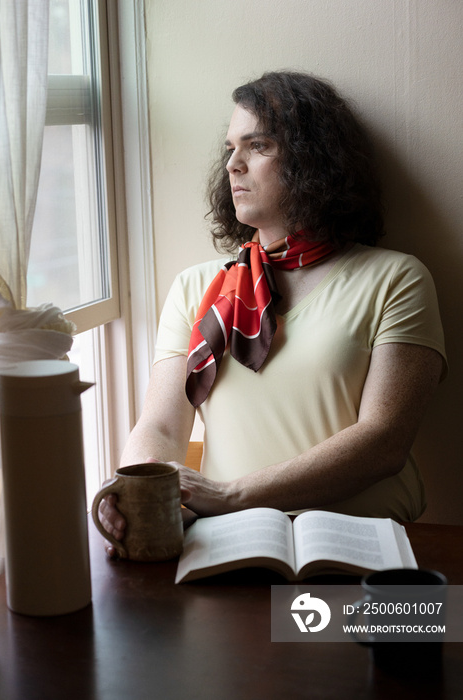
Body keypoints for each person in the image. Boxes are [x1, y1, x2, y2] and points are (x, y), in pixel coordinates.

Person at [100, 71, 446, 553]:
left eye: (257, 145)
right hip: (231, 543)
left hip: (365, 546)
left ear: (314, 159)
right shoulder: (196, 286)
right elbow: (160, 426)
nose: (233, 165)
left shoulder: (396, 278)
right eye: (229, 149)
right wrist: (136, 490)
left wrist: (228, 495)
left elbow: (384, 441)